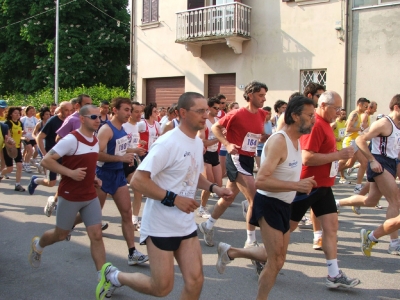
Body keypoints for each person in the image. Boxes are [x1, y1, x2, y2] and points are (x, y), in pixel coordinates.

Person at [96, 92, 233, 300]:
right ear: (183, 113)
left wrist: (214, 188)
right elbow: (138, 181)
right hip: (161, 225)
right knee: (161, 288)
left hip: (185, 224)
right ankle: (115, 276)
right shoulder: (168, 142)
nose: (206, 115)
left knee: (196, 281)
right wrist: (175, 199)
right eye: (200, 111)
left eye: (207, 110)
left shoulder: (196, 142)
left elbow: (192, 175)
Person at [215, 96, 317, 298]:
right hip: (269, 203)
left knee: (275, 255)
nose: (314, 119)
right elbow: (260, 180)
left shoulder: (297, 141)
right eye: (310, 115)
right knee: (276, 261)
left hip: (284, 205)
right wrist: (296, 185)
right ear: (295, 116)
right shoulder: (280, 141)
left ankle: (230, 252)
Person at [28, 105, 107, 299]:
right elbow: (47, 160)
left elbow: (88, 165)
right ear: (82, 119)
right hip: (70, 194)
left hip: (89, 195)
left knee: (96, 234)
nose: (98, 120)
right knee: (61, 234)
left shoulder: (95, 140)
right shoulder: (71, 139)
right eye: (94, 116)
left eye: (100, 116)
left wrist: (94, 178)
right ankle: (38, 245)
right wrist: (70, 173)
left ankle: (103, 279)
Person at [289, 91, 360, 288]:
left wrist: (340, 158)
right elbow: (307, 157)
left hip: (324, 187)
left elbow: (327, 155)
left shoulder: (327, 124)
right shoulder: (316, 125)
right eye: (335, 108)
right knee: (286, 229)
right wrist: (338, 155)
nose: (339, 112)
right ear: (322, 105)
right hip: (308, 185)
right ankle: (259, 256)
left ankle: (333, 274)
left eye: (340, 108)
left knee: (331, 228)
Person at [199, 80, 268, 250]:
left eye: (265, 95)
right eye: (261, 95)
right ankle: (250, 241)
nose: (264, 99)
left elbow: (252, 135)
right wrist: (227, 144)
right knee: (254, 198)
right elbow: (215, 127)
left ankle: (207, 226)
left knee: (228, 197)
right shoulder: (236, 113)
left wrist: (263, 137)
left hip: (248, 159)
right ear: (250, 95)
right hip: (235, 158)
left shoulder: (261, 114)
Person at [337, 94, 400, 255]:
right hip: (380, 162)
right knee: (395, 201)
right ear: (397, 107)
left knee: (371, 200)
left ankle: (337, 202)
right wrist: (372, 160)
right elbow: (360, 140)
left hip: (391, 163)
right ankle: (394, 243)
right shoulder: (384, 123)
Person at [96, 97, 148, 266]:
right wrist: (120, 157)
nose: (129, 113)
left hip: (118, 175)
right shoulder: (106, 129)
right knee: (93, 215)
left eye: (129, 110)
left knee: (126, 214)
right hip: (103, 175)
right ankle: (70, 225)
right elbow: (97, 154)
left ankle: (132, 252)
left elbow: (122, 148)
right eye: (126, 110)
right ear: (115, 110)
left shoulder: (122, 130)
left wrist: (131, 154)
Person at [29, 102, 73, 214]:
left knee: (65, 181)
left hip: (66, 156)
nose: (69, 113)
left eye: (70, 110)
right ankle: (35, 180)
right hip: (52, 155)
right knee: (51, 183)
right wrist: (45, 154)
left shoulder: (71, 121)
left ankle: (57, 202)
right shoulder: (53, 121)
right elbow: (39, 138)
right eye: (66, 110)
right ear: (60, 110)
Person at [122, 101, 147, 230]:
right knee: (101, 197)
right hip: (118, 163)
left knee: (138, 190)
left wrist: (139, 144)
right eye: (136, 111)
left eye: (140, 111)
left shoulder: (136, 126)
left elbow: (132, 143)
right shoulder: (124, 126)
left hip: (131, 162)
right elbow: (118, 149)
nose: (139, 114)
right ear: (129, 112)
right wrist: (135, 150)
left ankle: (134, 219)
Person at [197, 96, 222, 218]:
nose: (218, 110)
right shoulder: (204, 121)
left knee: (219, 183)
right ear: (209, 107)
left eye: (219, 108)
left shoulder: (218, 120)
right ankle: (202, 207)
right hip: (205, 153)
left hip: (214, 153)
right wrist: (219, 138)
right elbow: (203, 142)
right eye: (215, 108)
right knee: (209, 182)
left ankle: (196, 187)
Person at [339, 97, 370, 195]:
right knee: (346, 162)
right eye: (365, 106)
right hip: (350, 141)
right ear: (359, 105)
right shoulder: (354, 114)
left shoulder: (360, 115)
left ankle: (358, 186)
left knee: (352, 164)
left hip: (356, 141)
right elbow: (348, 129)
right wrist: (360, 129)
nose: (366, 108)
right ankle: (329, 174)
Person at [0, 106, 25, 191]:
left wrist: (23, 138)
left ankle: (17, 184)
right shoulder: (7, 124)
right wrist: (10, 143)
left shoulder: (20, 123)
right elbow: (7, 137)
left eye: (18, 113)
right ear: (10, 114)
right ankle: (1, 174)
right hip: (8, 148)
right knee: (10, 169)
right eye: (15, 113)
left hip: (17, 147)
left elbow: (19, 136)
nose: (17, 115)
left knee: (20, 166)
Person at [331, 109, 348, 184]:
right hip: (336, 145)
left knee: (343, 162)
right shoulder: (335, 123)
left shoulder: (345, 122)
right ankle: (341, 177)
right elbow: (329, 133)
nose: (344, 115)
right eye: (342, 114)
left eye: (345, 114)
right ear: (339, 114)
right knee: (337, 162)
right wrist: (335, 138)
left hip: (343, 144)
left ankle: (340, 176)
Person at [254, 106, 272, 171]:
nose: (270, 116)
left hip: (268, 148)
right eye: (268, 114)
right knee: (260, 169)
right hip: (259, 148)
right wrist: (266, 136)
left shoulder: (270, 122)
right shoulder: (259, 123)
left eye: (271, 114)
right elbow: (259, 138)